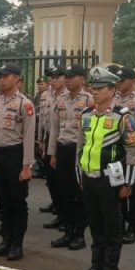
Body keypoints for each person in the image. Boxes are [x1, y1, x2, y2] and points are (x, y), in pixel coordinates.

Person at [75, 67, 135, 270]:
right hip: (89, 177)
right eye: (93, 87)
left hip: (110, 179)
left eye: (100, 88)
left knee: (112, 225)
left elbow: (133, 151)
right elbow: (81, 146)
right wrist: (80, 174)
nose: (95, 91)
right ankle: (96, 265)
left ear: (112, 90)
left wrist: (128, 183)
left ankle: (110, 268)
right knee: (95, 224)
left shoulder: (123, 116)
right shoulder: (86, 115)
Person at [0, 64, 36, 259]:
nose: (1, 80)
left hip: (16, 155)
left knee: (18, 202)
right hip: (0, 154)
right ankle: (5, 241)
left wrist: (27, 165)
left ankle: (16, 244)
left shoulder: (25, 103)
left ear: (16, 79)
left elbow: (29, 137)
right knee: (3, 201)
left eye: (5, 76)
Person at [49, 64, 95, 250]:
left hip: (79, 151)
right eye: (65, 76)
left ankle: (79, 234)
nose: (67, 80)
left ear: (82, 79)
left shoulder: (90, 100)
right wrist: (52, 153)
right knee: (64, 193)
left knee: (79, 194)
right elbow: (55, 128)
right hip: (63, 148)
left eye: (71, 76)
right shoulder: (61, 100)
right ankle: (68, 231)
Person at [111, 66, 135, 244]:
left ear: (132, 82)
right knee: (115, 189)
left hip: (132, 153)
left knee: (131, 191)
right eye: (117, 81)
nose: (118, 83)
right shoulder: (113, 98)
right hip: (115, 153)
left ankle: (132, 226)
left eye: (122, 80)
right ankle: (118, 224)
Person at [39, 65, 66, 227]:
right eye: (51, 77)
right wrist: (41, 140)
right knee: (51, 177)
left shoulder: (68, 96)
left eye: (57, 77)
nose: (53, 80)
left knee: (63, 180)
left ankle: (65, 214)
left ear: (65, 78)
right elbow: (43, 120)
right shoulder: (46, 95)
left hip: (63, 140)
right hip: (49, 136)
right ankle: (58, 207)